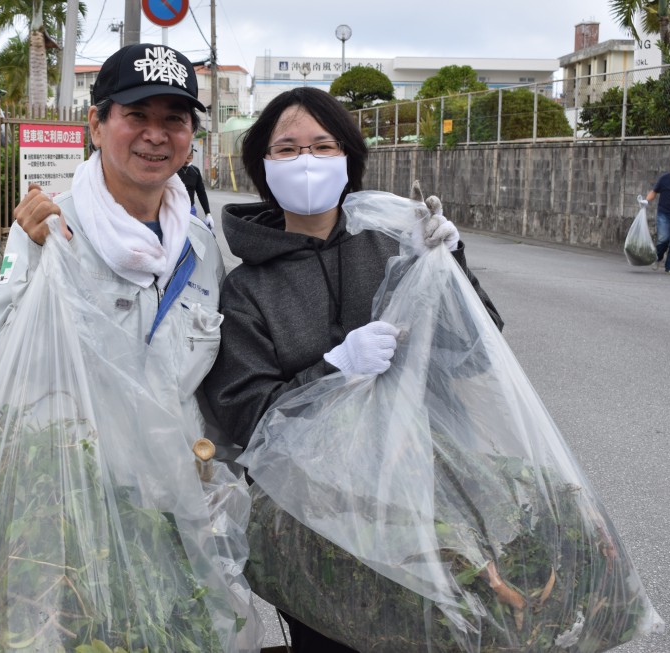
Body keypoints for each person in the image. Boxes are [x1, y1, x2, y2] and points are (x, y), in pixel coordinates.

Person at [202, 87, 503, 653]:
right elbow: (246, 415)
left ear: (349, 158)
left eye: (323, 144)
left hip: (430, 499)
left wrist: (450, 265)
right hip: (317, 524)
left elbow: (474, 350)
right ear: (263, 167)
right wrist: (335, 370)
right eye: (287, 149)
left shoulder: (395, 245)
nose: (308, 160)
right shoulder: (247, 289)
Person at [0, 41, 224, 439]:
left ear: (189, 136)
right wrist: (38, 256)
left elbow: (206, 392)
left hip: (173, 480)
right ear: (96, 126)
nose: (156, 135)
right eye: (136, 115)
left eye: (174, 119)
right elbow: (14, 354)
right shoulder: (48, 227)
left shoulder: (199, 245)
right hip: (75, 469)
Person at [177, 146, 213, 229]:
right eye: (188, 152)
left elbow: (201, 193)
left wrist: (208, 214)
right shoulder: (172, 170)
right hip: (174, 209)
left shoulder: (195, 171)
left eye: (192, 152)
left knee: (193, 236)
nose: (190, 155)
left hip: (190, 209)